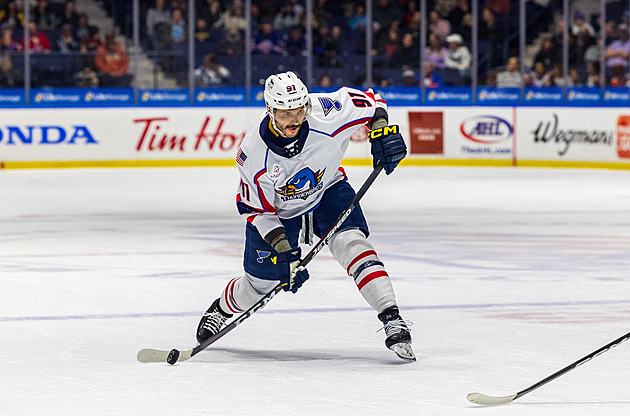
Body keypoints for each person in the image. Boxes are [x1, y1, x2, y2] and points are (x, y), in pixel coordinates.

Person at [195, 71, 414, 361]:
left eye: (299, 110)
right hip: (280, 213)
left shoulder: (327, 112)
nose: (294, 119)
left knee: (354, 245)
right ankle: (221, 309)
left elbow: (373, 103)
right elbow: (258, 211)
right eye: (285, 112)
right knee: (260, 286)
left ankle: (392, 318)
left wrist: (382, 132)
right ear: (270, 110)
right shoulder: (252, 152)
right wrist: (284, 251)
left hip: (327, 189)